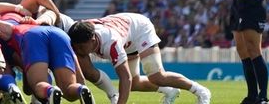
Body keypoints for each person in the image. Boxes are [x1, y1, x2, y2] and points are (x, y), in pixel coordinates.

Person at [68, 13, 211, 104]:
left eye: (80, 47)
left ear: (93, 40)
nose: (78, 51)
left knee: (157, 76)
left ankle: (201, 91)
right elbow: (130, 82)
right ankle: (169, 90)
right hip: (126, 34)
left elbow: (125, 78)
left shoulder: (111, 44)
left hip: (140, 29)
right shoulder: (82, 31)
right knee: (135, 85)